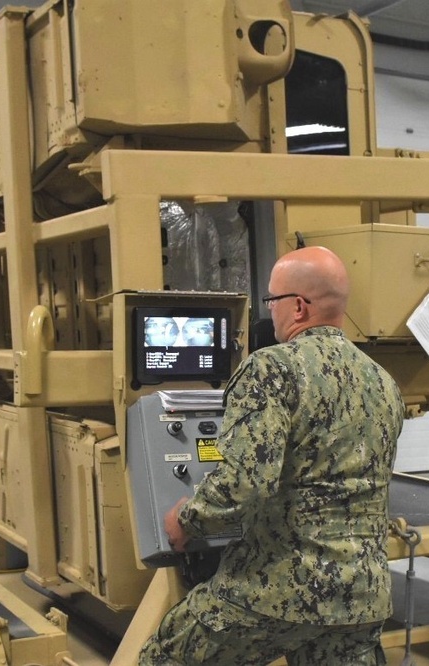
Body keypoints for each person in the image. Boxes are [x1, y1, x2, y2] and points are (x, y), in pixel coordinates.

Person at [140, 247, 405, 665]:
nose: (270, 311)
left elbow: (243, 485)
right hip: (362, 597)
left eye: (271, 300)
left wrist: (186, 520)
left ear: (298, 307)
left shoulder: (271, 368)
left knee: (163, 658)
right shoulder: (383, 381)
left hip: (276, 592)